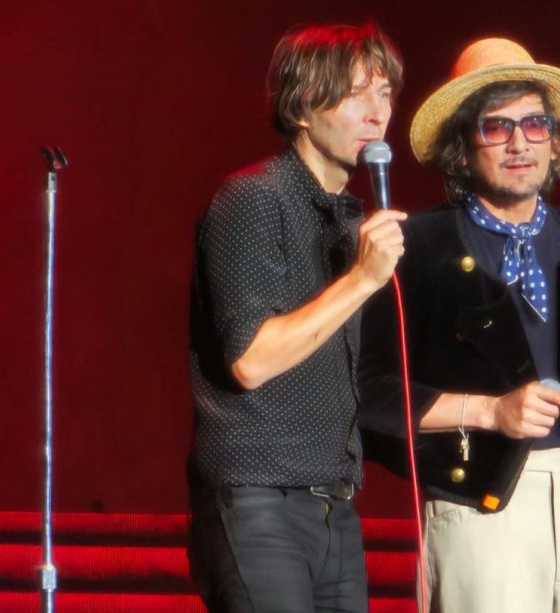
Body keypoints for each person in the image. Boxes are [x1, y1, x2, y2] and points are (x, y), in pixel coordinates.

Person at [358, 38, 560, 613]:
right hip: (475, 505)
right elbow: (369, 394)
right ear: (463, 147)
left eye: (535, 124)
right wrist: (490, 411)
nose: (519, 143)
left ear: (556, 141)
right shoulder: (418, 245)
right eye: (496, 127)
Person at [187, 23, 405, 613]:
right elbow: (252, 360)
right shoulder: (253, 198)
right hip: (260, 499)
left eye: (384, 94)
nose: (376, 112)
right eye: (357, 92)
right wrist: (360, 280)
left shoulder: (343, 219)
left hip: (333, 504)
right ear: (305, 104)